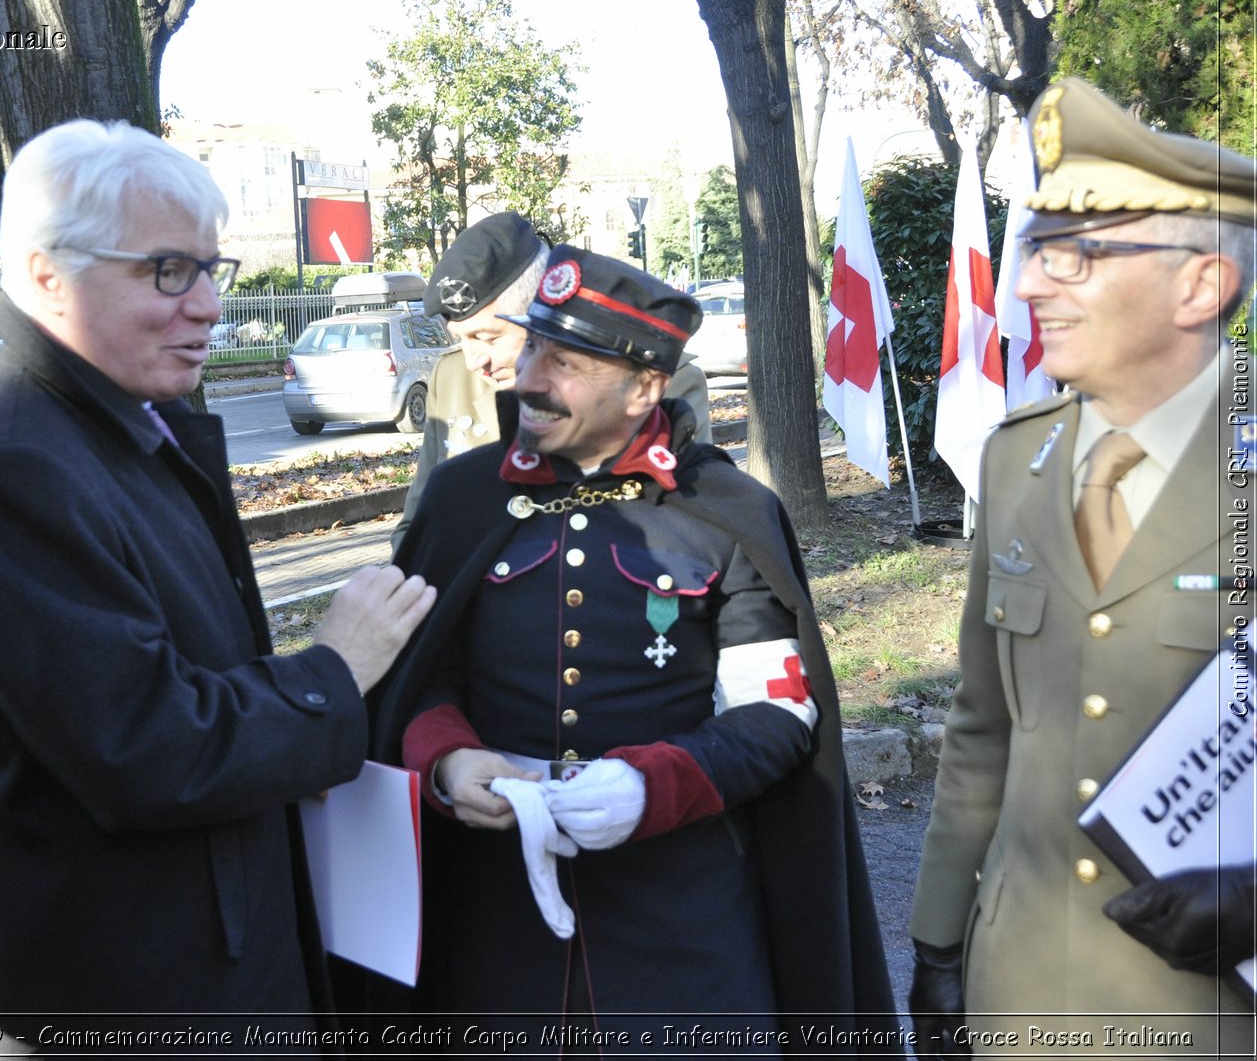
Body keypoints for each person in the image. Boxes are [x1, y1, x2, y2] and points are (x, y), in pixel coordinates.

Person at [0, 119, 435, 1045]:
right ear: (45, 276)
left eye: (210, 268)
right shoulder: (17, 465)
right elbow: (149, 749)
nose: (207, 306)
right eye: (166, 271)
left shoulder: (103, 429)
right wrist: (332, 668)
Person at [375, 244, 897, 1049]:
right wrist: (446, 761)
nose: (531, 377)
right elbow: (420, 676)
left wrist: (654, 784)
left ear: (645, 386)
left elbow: (778, 712)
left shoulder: (724, 509)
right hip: (492, 937)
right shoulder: (462, 500)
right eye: (535, 344)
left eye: (568, 359)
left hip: (681, 933)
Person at [909, 77, 1257, 1057]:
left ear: (1199, 284)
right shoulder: (1015, 458)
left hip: (1212, 1013)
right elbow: (982, 726)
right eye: (1032, 250)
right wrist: (936, 942)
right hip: (1020, 992)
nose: (1025, 286)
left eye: (1074, 256)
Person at [393, 212, 714, 551]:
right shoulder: (453, 377)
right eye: (461, 338)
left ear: (541, 313)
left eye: (488, 337)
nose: (475, 361)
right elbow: (416, 526)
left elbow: (692, 526)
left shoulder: (658, 383)